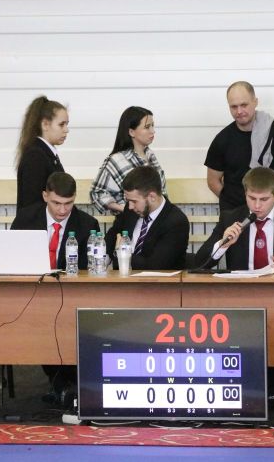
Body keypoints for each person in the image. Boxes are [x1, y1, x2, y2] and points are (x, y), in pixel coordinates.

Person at [194, 167, 274, 409]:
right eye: (252, 198)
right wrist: (223, 244)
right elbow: (200, 263)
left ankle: (269, 393)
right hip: (242, 297)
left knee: (273, 329)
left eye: (264, 199)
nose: (257, 206)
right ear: (245, 194)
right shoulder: (231, 217)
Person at [11, 171, 100, 408]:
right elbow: (12, 258)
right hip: (30, 294)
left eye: (68, 203)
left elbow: (86, 273)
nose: (62, 210)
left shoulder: (87, 225)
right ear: (45, 196)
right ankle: (61, 383)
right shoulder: (25, 219)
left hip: (69, 297)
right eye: (56, 203)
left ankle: (64, 382)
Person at [205, 81, 274, 211]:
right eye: (234, 107)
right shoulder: (222, 140)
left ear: (255, 102)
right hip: (234, 213)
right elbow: (212, 181)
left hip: (269, 214)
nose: (239, 111)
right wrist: (232, 204)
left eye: (244, 105)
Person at [105, 166, 189, 270]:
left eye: (134, 201)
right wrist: (105, 257)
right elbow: (113, 234)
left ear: (152, 197)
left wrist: (121, 254)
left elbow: (156, 265)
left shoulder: (176, 222)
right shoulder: (131, 210)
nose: (130, 206)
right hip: (122, 277)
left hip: (157, 279)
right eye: (128, 201)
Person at [90, 106, 167, 214]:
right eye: (147, 127)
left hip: (156, 218)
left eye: (152, 126)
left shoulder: (151, 156)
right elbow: (96, 193)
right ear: (131, 132)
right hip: (132, 220)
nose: (152, 131)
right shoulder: (116, 160)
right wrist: (125, 208)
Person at [15, 96, 69, 210]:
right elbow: (32, 205)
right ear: (45, 125)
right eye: (61, 124)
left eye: (66, 124)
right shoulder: (35, 156)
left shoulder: (45, 154)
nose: (66, 130)